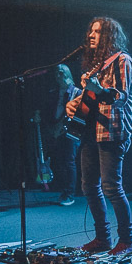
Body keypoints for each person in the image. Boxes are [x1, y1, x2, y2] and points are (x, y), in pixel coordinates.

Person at [65, 17, 132, 256]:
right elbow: (88, 99)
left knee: (112, 187)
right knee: (88, 186)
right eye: (91, 31)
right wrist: (73, 104)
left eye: (97, 32)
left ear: (109, 36)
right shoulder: (97, 67)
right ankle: (103, 238)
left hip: (112, 132)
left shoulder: (123, 61)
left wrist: (99, 90)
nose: (91, 36)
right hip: (90, 132)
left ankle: (127, 241)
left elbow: (121, 96)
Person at [48, 64, 82, 206]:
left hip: (71, 131)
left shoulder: (76, 92)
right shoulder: (54, 92)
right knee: (59, 161)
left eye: (61, 73)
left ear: (67, 74)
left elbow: (79, 114)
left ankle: (70, 193)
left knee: (69, 161)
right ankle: (63, 190)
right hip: (56, 129)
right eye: (56, 73)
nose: (58, 76)